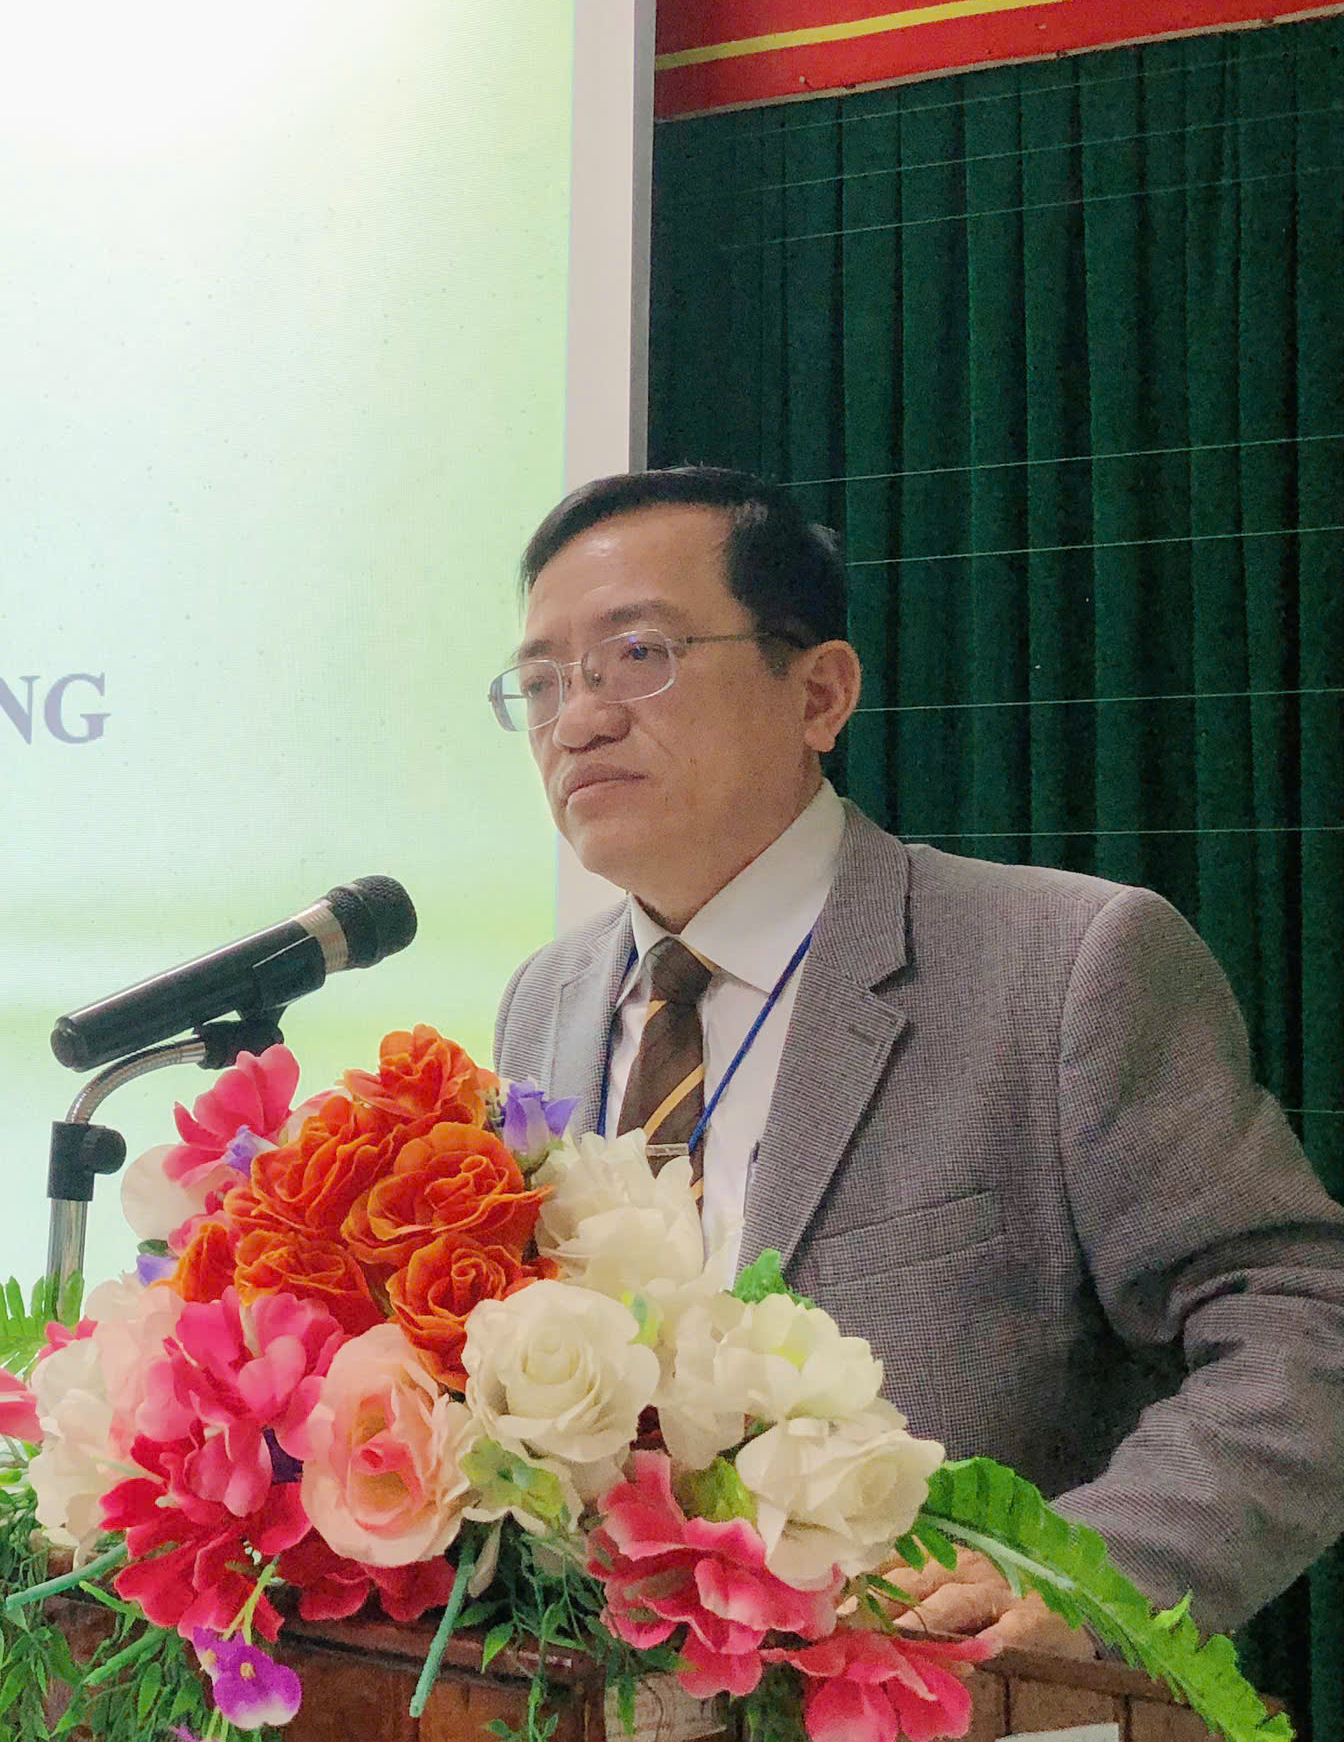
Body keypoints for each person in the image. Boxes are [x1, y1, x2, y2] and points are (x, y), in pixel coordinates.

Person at [489, 466, 1344, 1651]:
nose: (578, 720)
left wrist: (1086, 1581)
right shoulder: (546, 1002)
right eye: (543, 681)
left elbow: (1302, 1323)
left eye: (638, 656)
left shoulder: (1069, 963)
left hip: (955, 1703)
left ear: (819, 694)